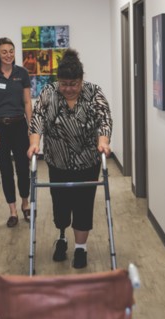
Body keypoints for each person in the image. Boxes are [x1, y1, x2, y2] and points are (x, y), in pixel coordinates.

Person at [28, 48, 112, 269]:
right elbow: (37, 118)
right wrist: (34, 143)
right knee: (61, 205)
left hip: (87, 161)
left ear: (81, 80)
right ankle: (63, 236)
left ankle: (81, 249)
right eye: (64, 84)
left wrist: (103, 141)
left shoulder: (94, 93)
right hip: (58, 161)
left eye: (73, 84)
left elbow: (104, 118)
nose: (69, 89)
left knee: (84, 205)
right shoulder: (48, 93)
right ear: (58, 81)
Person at [0, 37, 32, 227]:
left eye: (11, 50)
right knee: (6, 171)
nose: (8, 54)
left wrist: (31, 128)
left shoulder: (22, 73)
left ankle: (25, 204)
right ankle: (12, 211)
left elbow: (27, 102)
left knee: (23, 168)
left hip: (19, 127)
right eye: (4, 51)